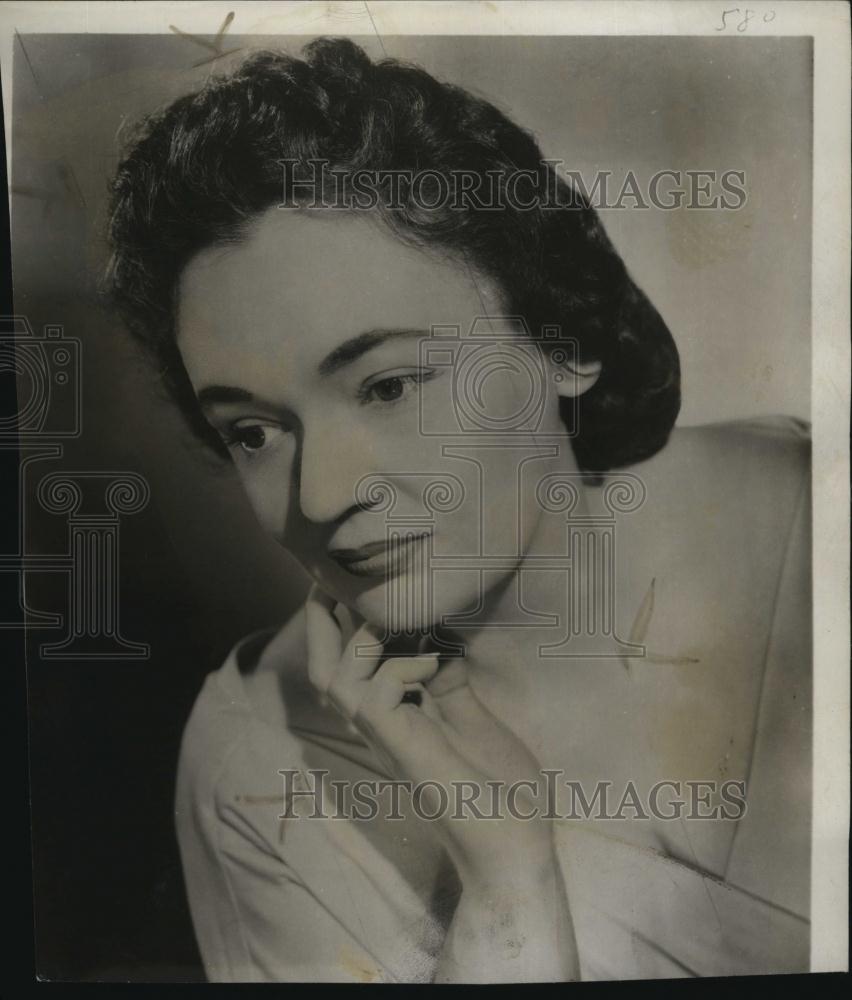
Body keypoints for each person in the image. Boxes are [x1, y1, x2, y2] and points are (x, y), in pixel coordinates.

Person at [105, 37, 811, 982]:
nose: (318, 497)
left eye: (389, 385)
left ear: (562, 337)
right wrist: (506, 891)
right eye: (254, 432)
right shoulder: (255, 770)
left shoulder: (821, 511)